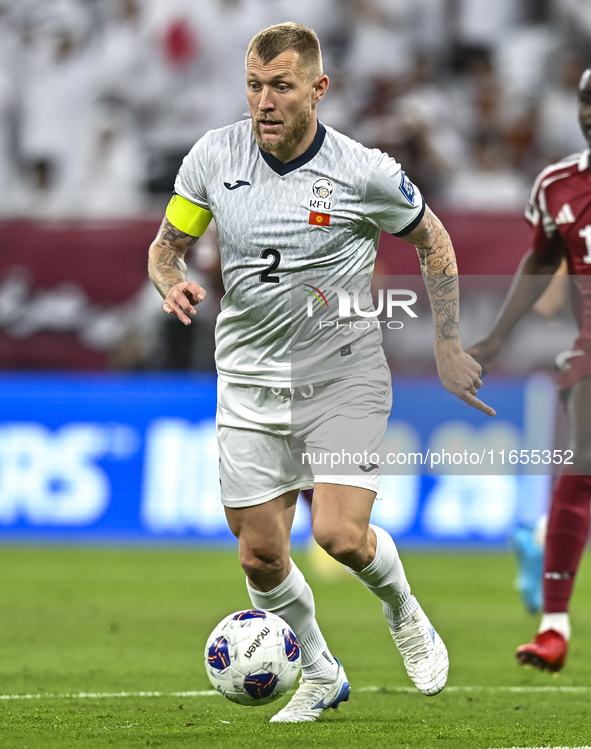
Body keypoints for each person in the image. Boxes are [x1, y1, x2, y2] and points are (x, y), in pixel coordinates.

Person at [148, 23, 494, 722]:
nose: (263, 102)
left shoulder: (361, 170)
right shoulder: (213, 156)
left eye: (280, 86)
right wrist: (169, 277)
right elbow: (168, 243)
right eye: (253, 86)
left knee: (338, 534)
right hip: (247, 381)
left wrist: (448, 344)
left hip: (342, 376)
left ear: (317, 87)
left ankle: (404, 611)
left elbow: (433, 238)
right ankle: (320, 670)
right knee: (259, 557)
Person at [468, 67, 591, 673]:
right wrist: (492, 341)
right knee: (584, 468)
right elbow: (540, 263)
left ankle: (542, 537)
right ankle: (554, 627)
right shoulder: (558, 186)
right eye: (586, 101)